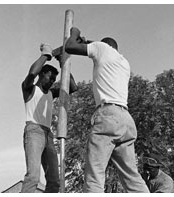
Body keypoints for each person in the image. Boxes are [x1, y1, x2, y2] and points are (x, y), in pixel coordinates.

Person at [65, 27, 149, 193]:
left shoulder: (102, 49)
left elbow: (70, 46)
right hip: (126, 120)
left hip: (108, 117)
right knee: (132, 178)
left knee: (94, 176)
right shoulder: (124, 61)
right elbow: (93, 46)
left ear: (103, 45)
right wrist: (87, 42)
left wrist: (75, 32)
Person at [21, 43, 77, 193]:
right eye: (50, 77)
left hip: (48, 136)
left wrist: (62, 62)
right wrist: (46, 56)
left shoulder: (51, 92)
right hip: (34, 131)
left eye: (54, 79)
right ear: (42, 74)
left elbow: (72, 87)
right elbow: (31, 74)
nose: (52, 81)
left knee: (54, 181)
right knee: (33, 177)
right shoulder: (30, 89)